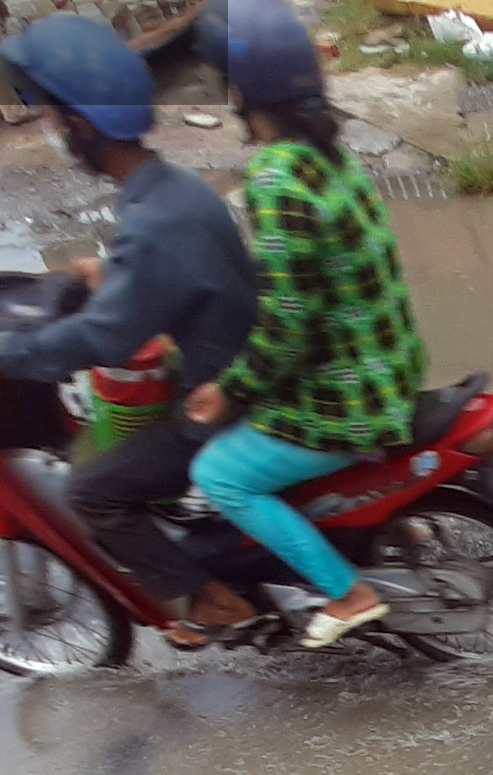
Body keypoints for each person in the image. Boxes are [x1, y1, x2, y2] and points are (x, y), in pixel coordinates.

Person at [0, 14, 261, 643]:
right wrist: (108, 271)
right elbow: (168, 277)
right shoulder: (172, 190)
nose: (54, 129)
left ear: (82, 126)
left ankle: (210, 602)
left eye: (56, 119)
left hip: (225, 399)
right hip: (240, 362)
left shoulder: (152, 222)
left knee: (93, 490)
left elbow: (101, 341)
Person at [183, 0, 426, 650]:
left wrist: (229, 388)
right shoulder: (331, 156)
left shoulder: (275, 179)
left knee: (219, 474)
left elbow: (290, 326)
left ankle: (348, 592)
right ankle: (396, 525)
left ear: (239, 93)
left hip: (350, 404)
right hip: (394, 369)